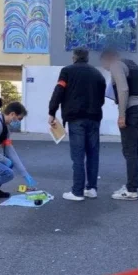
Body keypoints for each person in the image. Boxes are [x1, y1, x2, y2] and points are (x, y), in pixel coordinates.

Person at [48, 47, 106, 201]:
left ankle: (77, 191)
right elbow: (101, 99)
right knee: (93, 154)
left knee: (78, 155)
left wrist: (52, 112)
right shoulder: (98, 74)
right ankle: (92, 188)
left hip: (76, 119)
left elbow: (58, 91)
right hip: (94, 118)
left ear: (74, 57)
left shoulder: (67, 71)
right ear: (87, 58)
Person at [100, 47, 138, 201]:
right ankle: (132, 186)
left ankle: (131, 190)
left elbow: (123, 89)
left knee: (129, 153)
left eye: (104, 65)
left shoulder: (116, 65)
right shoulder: (132, 64)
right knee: (135, 152)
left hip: (131, 113)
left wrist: (122, 115)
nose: (107, 69)